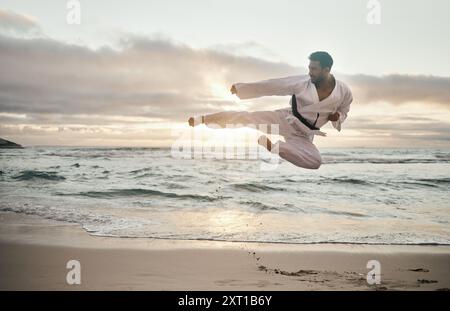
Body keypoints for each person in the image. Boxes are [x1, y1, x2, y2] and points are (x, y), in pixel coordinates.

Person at [188, 51, 353, 169]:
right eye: (309, 68)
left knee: (315, 162)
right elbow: (273, 86)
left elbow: (345, 109)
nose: (310, 72)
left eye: (314, 69)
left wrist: (338, 117)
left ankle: (274, 147)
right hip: (286, 119)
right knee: (247, 118)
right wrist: (242, 89)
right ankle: (204, 119)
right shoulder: (303, 82)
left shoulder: (343, 91)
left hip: (305, 135)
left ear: (327, 70)